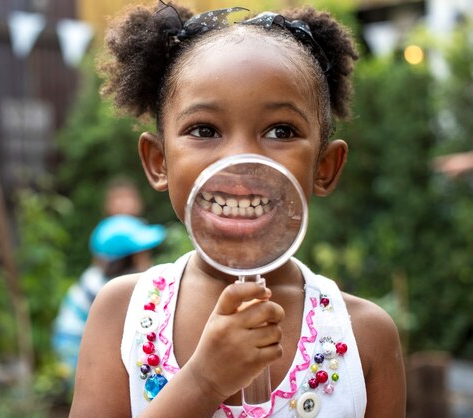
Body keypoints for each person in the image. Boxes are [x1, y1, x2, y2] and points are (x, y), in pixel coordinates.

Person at [70, 2, 406, 418]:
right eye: (204, 130)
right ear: (159, 162)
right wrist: (203, 382)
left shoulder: (365, 336)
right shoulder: (121, 313)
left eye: (280, 131)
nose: (242, 159)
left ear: (324, 167)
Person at [52, 214, 166, 395]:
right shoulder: (105, 287)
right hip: (74, 344)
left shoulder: (101, 278)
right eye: (142, 254)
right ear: (125, 260)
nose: (148, 259)